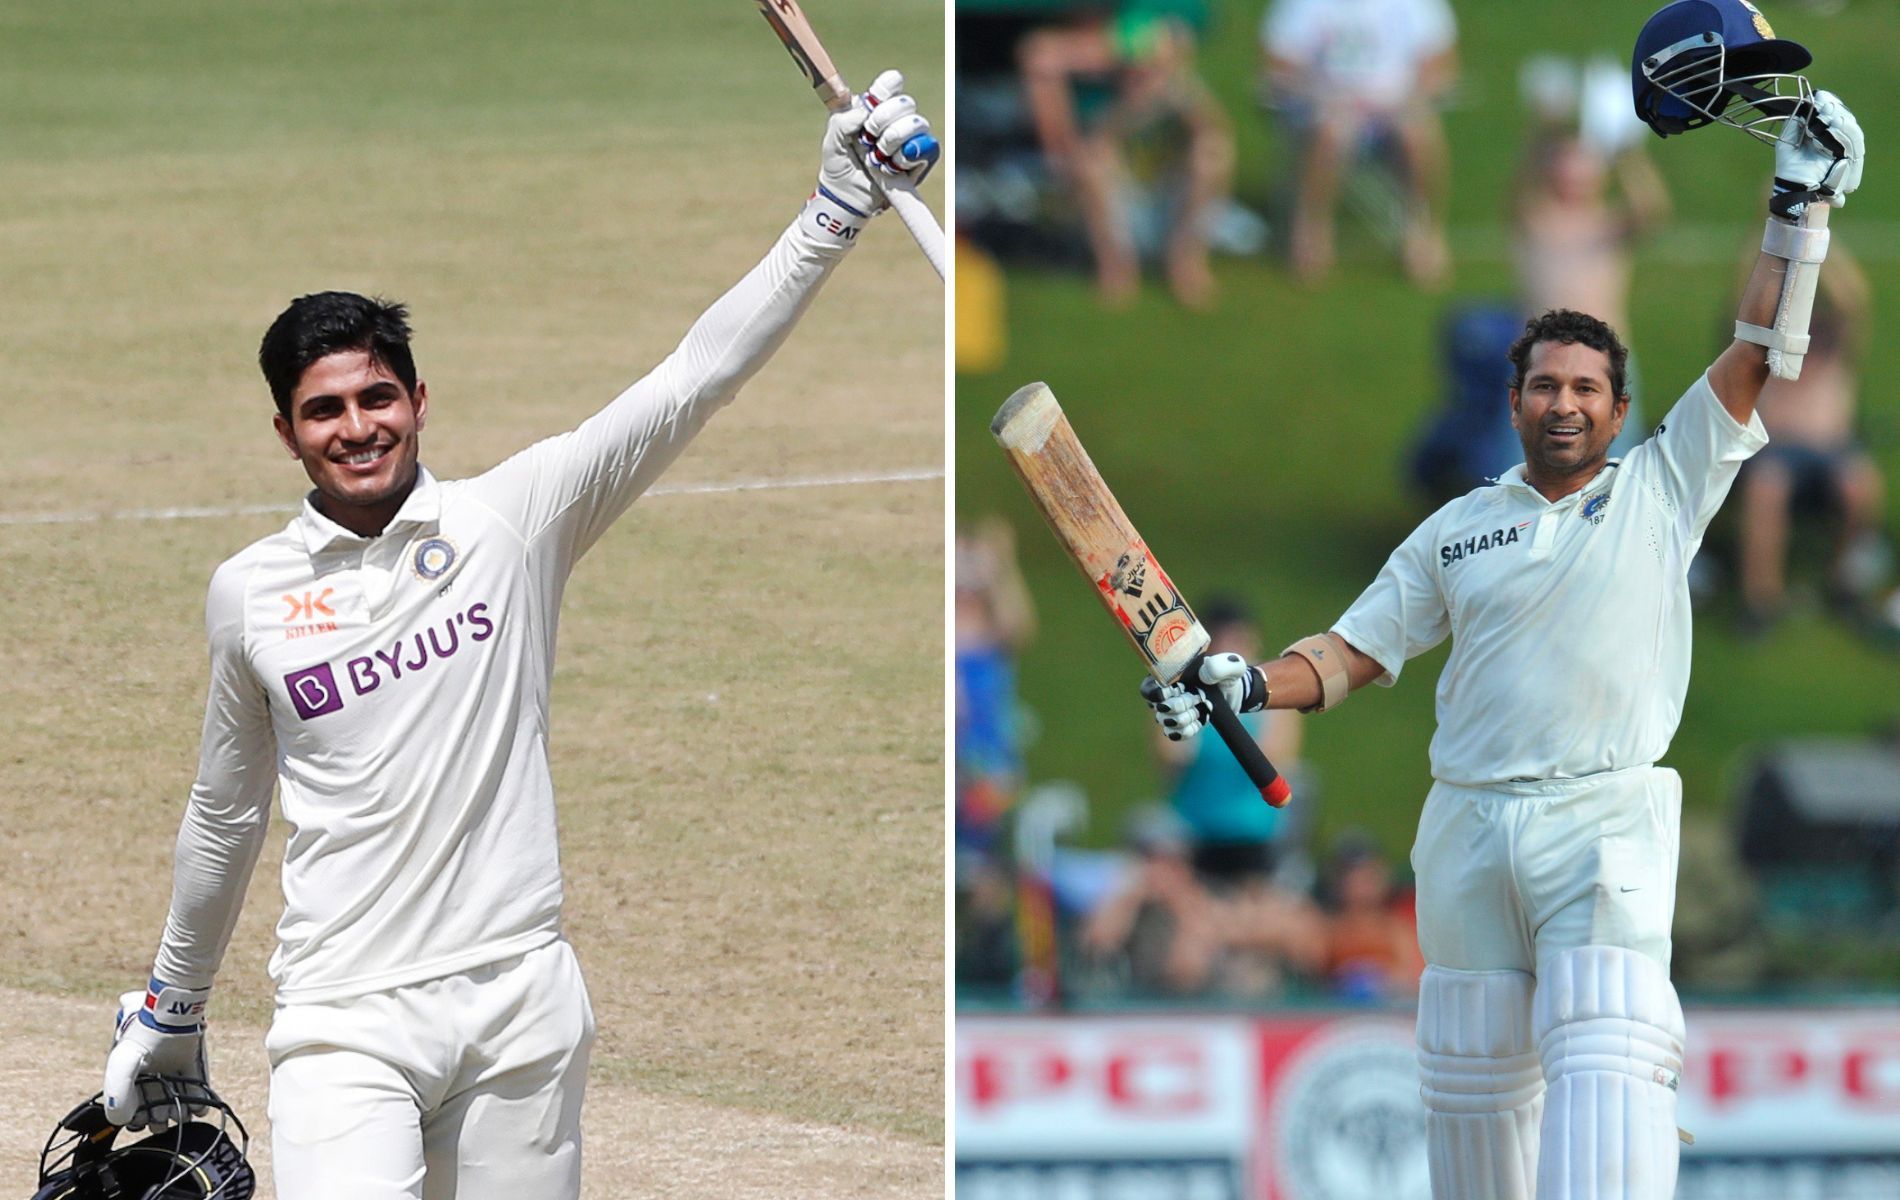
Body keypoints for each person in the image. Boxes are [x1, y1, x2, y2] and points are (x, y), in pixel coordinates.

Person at [97, 75, 936, 1199]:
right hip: (346, 1016)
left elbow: (690, 382)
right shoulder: (250, 593)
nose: (359, 428)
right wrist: (174, 1003)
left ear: (420, 398)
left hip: (522, 1006)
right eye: (326, 410)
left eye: (377, 397)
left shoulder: (514, 519)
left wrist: (834, 210)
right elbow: (226, 810)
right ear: (286, 432)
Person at [1142, 83, 1864, 1197]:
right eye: (1543, 386)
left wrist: (1797, 208)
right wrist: (1245, 686)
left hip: (1599, 816)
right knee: (1474, 1102)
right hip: (1469, 821)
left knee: (1606, 1063)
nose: (1564, 403)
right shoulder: (1456, 530)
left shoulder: (1663, 487)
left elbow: (1759, 350)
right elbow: (1347, 656)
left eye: (1586, 388)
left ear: (1619, 412)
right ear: (1514, 402)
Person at [1018, 0, 1235, 308]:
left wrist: (1179, 93)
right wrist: (1133, 109)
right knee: (1092, 160)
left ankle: (1186, 263)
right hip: (1123, 204)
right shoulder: (1113, 104)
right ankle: (1116, 268)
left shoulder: (1179, 92)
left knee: (1212, 154)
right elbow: (1100, 141)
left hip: (1166, 199)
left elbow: (1214, 131)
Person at [1732, 240, 1883, 633]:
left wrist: (1817, 242)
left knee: (1860, 485)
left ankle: (1845, 580)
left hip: (1832, 450)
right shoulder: (1766, 341)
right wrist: (1776, 236)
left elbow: (1854, 298)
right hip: (1777, 451)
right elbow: (1744, 300)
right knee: (1767, 488)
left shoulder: (1839, 341)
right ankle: (1761, 599)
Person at [1258, 0, 1458, 286]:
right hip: (1323, 107)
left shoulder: (1417, 6)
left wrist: (1406, 99)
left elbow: (1440, 66)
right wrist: (1323, 94)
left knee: (1418, 132)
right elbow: (1277, 68)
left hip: (1393, 109)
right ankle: (1311, 231)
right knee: (1332, 130)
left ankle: (1421, 232)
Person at [1151, 597, 1302, 887]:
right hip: (1194, 833)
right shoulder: (1179, 694)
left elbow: (1279, 758)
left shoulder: (1275, 693)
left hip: (1255, 835)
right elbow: (1170, 758)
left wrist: (1233, 712)